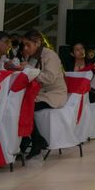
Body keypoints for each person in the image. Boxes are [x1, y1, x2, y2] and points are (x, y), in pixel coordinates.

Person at [20, 30, 67, 159]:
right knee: (20, 104)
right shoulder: (31, 55)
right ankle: (33, 139)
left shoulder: (50, 56)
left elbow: (49, 78)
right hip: (39, 93)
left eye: (28, 45)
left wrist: (29, 69)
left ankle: (33, 140)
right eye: (24, 45)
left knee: (25, 107)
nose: (25, 48)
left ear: (38, 42)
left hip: (54, 94)